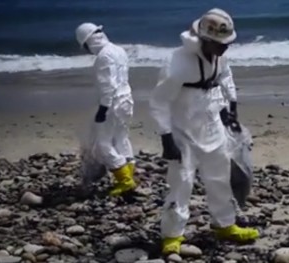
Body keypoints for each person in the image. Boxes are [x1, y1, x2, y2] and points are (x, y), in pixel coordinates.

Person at [149, 8, 260, 256]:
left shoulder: (220, 56)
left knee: (220, 180)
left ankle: (225, 225)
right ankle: (172, 235)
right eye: (220, 44)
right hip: (183, 134)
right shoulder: (177, 63)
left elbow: (226, 78)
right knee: (182, 184)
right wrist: (166, 137)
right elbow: (159, 102)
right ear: (204, 40)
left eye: (227, 44)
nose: (225, 49)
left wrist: (231, 108)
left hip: (213, 128)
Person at [75, 22, 136, 196]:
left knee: (103, 145)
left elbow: (108, 85)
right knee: (122, 138)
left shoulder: (104, 56)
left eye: (85, 46)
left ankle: (125, 180)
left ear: (89, 42)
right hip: (127, 101)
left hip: (113, 105)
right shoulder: (119, 50)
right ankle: (129, 174)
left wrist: (103, 108)